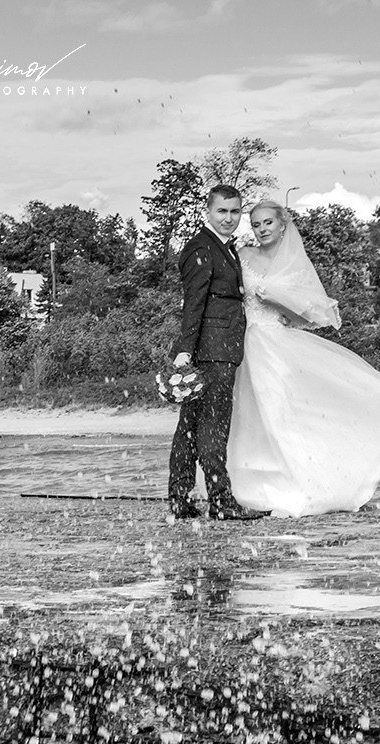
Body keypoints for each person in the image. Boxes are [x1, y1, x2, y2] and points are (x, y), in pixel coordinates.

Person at [223, 200, 380, 516]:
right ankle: (255, 489)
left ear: (282, 224)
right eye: (256, 224)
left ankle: (300, 486)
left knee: (280, 412)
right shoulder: (243, 257)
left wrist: (277, 300)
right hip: (245, 343)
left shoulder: (293, 263)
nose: (262, 229)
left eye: (267, 222)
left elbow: (305, 316)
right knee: (251, 418)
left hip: (275, 344)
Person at [167, 185, 260, 521]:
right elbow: (193, 303)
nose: (229, 219)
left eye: (235, 212)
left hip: (219, 348)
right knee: (212, 426)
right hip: (211, 350)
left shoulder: (224, 248)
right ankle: (220, 501)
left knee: (190, 426)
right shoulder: (200, 249)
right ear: (209, 211)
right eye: (222, 211)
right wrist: (184, 351)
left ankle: (180, 499)